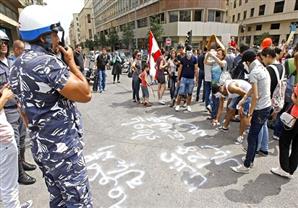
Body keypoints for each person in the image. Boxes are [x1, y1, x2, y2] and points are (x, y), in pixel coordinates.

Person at [10, 5, 93, 207]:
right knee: (78, 201)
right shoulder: (47, 63)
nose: (58, 39)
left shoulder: (16, 66)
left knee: (58, 199)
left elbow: (24, 114)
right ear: (43, 37)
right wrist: (71, 62)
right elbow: (86, 93)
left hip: (42, 148)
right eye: (55, 34)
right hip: (63, 151)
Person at [0, 33, 36, 185]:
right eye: (0, 43)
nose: (3, 45)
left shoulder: (11, 61)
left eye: (5, 42)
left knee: (22, 139)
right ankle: (19, 174)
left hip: (19, 106)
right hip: (7, 109)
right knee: (14, 143)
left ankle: (22, 163)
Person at [232, 49, 271, 174]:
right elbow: (253, 88)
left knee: (252, 137)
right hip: (266, 106)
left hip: (260, 108)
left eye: (245, 63)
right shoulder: (262, 67)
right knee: (254, 135)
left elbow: (255, 95)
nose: (245, 65)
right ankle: (250, 159)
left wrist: (251, 112)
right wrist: (244, 99)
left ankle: (247, 165)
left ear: (248, 62)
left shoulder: (254, 72)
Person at [271, 84, 298, 179]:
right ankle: (291, 169)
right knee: (296, 146)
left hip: (295, 118)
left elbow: (296, 101)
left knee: (284, 142)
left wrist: (292, 96)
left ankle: (284, 169)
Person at [213, 79, 251, 144]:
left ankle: (241, 136)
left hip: (247, 93)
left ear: (221, 89)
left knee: (242, 114)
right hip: (238, 94)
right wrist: (217, 119)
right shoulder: (221, 91)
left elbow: (245, 94)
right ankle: (225, 127)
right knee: (230, 108)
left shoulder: (231, 88)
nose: (223, 96)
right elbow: (220, 107)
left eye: (222, 94)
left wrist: (241, 105)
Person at [204, 48, 227, 124]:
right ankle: (213, 115)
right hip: (213, 83)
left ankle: (216, 118)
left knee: (218, 102)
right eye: (217, 53)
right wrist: (208, 55)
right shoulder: (214, 62)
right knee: (214, 101)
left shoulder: (224, 62)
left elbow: (221, 64)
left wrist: (213, 56)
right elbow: (205, 62)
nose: (217, 54)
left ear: (223, 56)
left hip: (220, 85)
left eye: (219, 54)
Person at [175, 45, 198, 112]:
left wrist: (197, 79)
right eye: (188, 52)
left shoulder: (194, 59)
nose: (189, 54)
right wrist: (178, 79)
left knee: (190, 93)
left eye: (190, 52)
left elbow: (196, 69)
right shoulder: (183, 59)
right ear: (186, 51)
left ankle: (188, 105)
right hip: (184, 78)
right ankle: (177, 105)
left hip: (191, 78)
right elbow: (180, 69)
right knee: (181, 92)